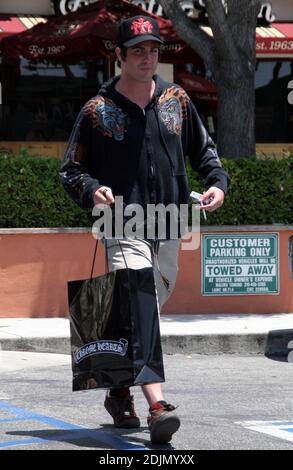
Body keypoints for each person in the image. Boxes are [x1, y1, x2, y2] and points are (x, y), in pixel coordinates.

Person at [60, 15, 229, 445]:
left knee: (145, 308)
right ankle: (157, 405)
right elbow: (71, 170)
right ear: (118, 56)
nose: (147, 57)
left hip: (171, 223)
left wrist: (216, 184)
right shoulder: (97, 111)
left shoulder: (177, 99)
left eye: (153, 49)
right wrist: (93, 189)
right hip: (122, 223)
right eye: (137, 50)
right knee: (141, 301)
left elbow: (204, 151)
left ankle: (119, 391)